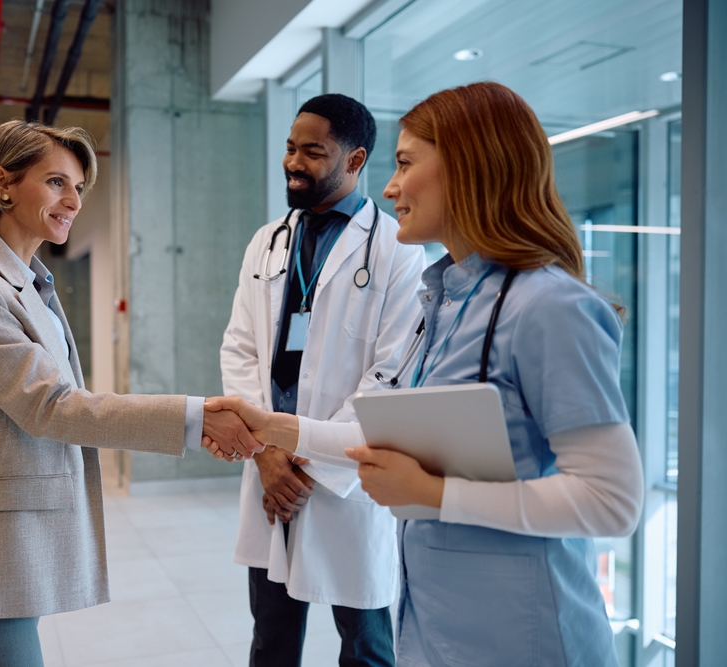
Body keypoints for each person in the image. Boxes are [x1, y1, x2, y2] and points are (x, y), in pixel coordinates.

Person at [206, 81, 645, 667]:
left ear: (468, 169)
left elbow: (612, 502)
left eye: (405, 164)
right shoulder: (444, 301)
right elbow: (385, 429)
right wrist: (269, 431)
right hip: (438, 628)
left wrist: (431, 493)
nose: (390, 188)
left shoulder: (549, 307)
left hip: (523, 637)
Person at [0, 120, 260, 667]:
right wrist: (196, 417)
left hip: (7, 536)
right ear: (2, 184)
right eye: (55, 183)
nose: (73, 200)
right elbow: (50, 405)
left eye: (77, 187)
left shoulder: (25, 279)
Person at [220, 93, 425, 667]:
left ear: (355, 161)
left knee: (365, 647)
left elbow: (391, 376)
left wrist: (305, 456)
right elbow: (239, 348)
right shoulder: (268, 241)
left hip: (342, 480)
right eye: (290, 147)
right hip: (271, 474)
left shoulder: (398, 251)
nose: (293, 162)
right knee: (272, 639)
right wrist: (265, 454)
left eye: (313, 152)